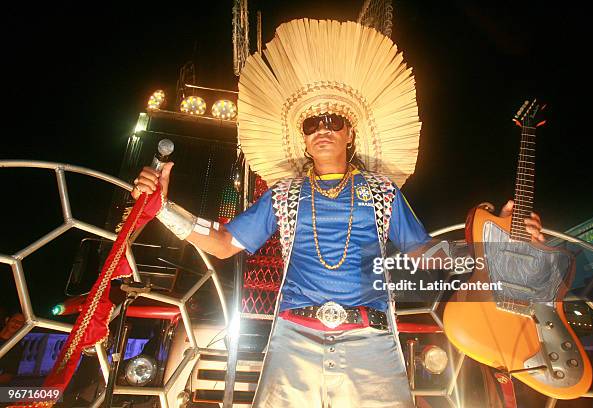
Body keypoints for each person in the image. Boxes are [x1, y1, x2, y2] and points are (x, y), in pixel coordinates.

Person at [132, 19, 544, 408]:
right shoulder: (284, 194)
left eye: (334, 120)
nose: (322, 128)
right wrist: (164, 209)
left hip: (372, 344)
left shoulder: (383, 192)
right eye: (312, 122)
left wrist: (496, 236)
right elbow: (223, 243)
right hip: (294, 340)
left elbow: (423, 254)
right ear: (305, 140)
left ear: (350, 132)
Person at [0, 312, 26, 384]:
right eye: (14, 320)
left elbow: (9, 375)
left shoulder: (15, 348)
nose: (16, 324)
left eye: (20, 323)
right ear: (7, 320)